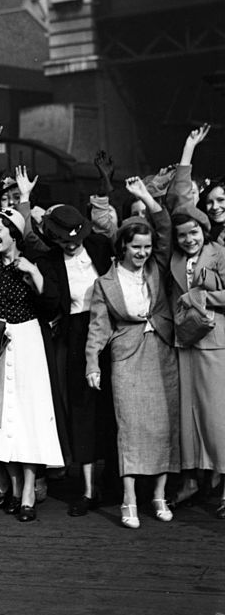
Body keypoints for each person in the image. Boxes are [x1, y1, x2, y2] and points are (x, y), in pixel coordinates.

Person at [85, 177, 180, 529]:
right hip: (126, 357)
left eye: (145, 247)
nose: (141, 253)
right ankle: (129, 501)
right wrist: (92, 364)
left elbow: (166, 231)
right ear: (122, 247)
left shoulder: (156, 267)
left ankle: (158, 495)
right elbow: (98, 328)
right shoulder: (105, 283)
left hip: (161, 353)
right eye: (135, 247)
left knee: (163, 427)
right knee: (130, 429)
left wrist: (144, 196)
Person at [0, 207, 64, 522]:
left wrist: (35, 275)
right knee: (3, 416)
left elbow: (52, 306)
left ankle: (28, 493)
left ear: (14, 233)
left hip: (28, 342)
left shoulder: (36, 263)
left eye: (0, 229)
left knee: (29, 416)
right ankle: (12, 487)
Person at [36, 193, 116, 517]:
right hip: (75, 332)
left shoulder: (98, 246)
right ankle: (86, 489)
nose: (71, 245)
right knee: (82, 409)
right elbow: (52, 304)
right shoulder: (50, 262)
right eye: (63, 241)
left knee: (111, 406)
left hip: (111, 328)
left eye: (75, 239)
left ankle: (113, 481)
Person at [166, 125, 225, 517]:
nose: (189, 239)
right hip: (184, 342)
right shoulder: (182, 249)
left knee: (217, 415)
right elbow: (179, 203)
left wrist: (200, 294)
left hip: (214, 340)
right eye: (183, 234)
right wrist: (187, 150)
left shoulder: (218, 250)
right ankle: (193, 479)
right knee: (188, 415)